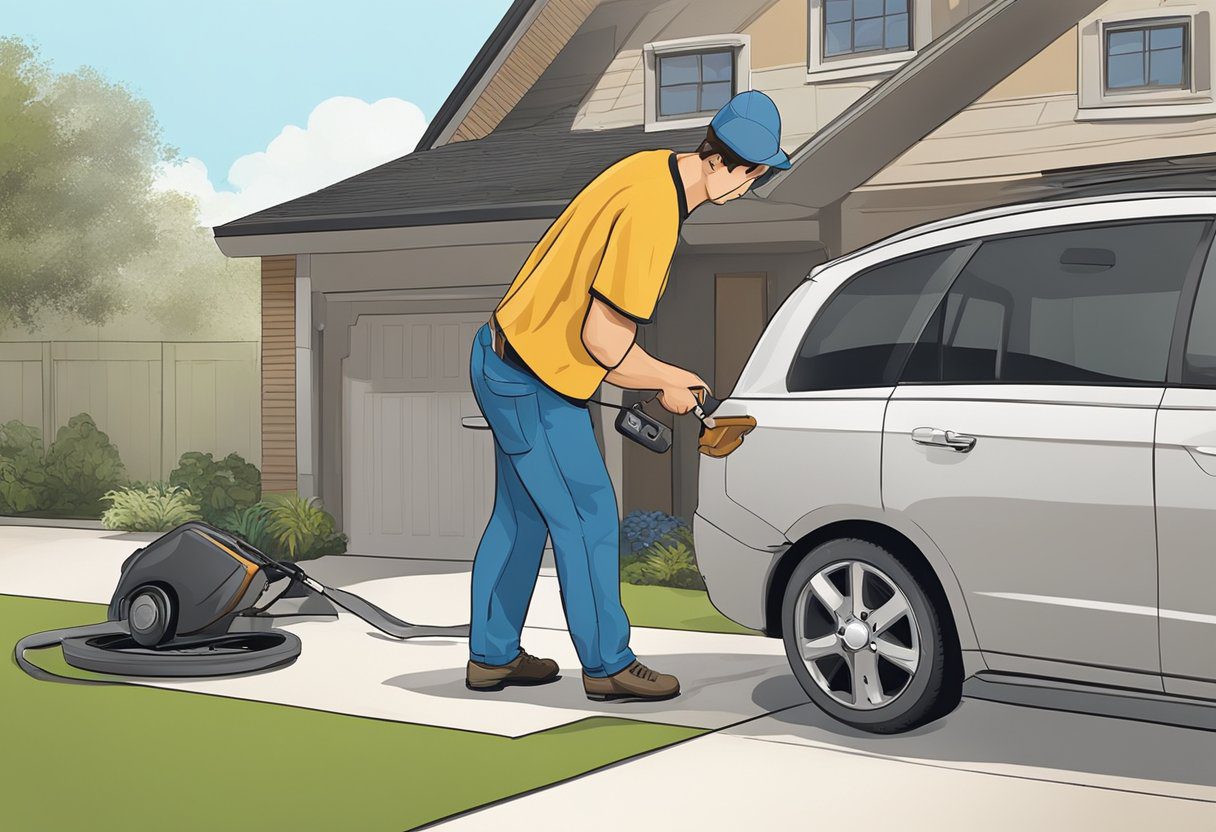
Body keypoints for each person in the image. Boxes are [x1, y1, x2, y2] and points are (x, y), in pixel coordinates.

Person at [465, 90, 790, 701]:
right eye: (753, 174)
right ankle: (608, 665)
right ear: (725, 165)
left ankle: (492, 655)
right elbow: (603, 342)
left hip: (500, 355)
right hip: (537, 379)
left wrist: (655, 375)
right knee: (588, 518)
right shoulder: (655, 214)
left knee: (520, 517)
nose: (749, 187)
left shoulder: (649, 167)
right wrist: (668, 378)